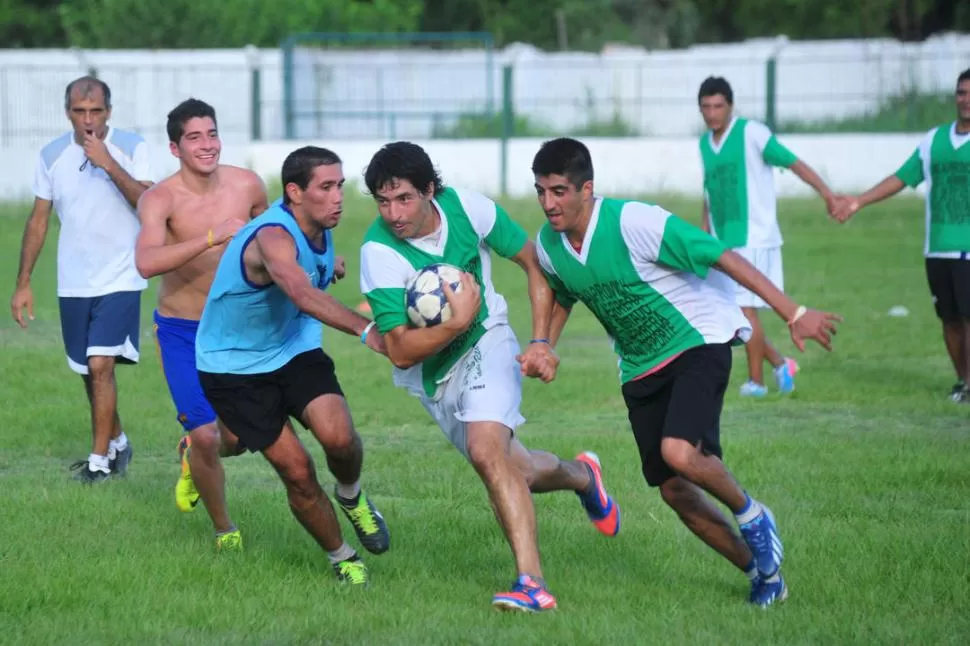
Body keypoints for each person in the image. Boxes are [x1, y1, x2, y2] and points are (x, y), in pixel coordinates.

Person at [528, 137, 843, 607]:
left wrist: (791, 311)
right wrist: (543, 345)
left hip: (699, 341)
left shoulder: (635, 222)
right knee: (675, 492)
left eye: (558, 191)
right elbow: (563, 291)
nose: (548, 203)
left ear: (586, 189)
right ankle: (762, 572)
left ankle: (752, 513)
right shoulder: (549, 246)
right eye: (540, 192)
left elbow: (721, 255)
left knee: (677, 451)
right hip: (639, 368)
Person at [358, 141, 620, 613]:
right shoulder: (378, 251)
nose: (393, 213)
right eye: (382, 201)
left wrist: (541, 340)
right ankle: (584, 477)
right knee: (513, 468)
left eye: (404, 199)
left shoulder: (466, 207)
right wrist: (454, 321)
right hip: (434, 375)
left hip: (488, 339)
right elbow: (397, 350)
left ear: (430, 191)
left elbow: (533, 262)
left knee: (485, 451)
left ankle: (532, 584)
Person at [195, 145, 390, 584]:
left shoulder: (319, 223)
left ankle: (351, 495)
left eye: (340, 185)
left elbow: (310, 269)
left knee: (340, 438)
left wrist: (331, 265)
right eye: (326, 187)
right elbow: (300, 292)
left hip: (292, 348)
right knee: (297, 470)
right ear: (294, 192)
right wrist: (368, 331)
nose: (338, 196)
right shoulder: (272, 238)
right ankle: (343, 558)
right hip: (234, 369)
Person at [135, 98, 269, 550]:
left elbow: (275, 240)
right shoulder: (160, 198)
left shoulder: (248, 184)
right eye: (194, 137)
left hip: (235, 328)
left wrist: (322, 265)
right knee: (207, 434)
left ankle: (191, 456)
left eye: (211, 134)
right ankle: (225, 531)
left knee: (239, 436)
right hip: (181, 331)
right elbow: (146, 262)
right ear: (175, 148)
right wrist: (211, 237)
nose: (206, 145)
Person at [10, 76, 153, 483]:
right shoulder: (51, 154)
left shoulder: (133, 148)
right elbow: (38, 221)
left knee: (101, 363)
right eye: (79, 111)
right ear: (67, 112)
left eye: (95, 111)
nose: (88, 120)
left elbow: (147, 201)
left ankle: (98, 463)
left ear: (109, 111)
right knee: (88, 371)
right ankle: (118, 441)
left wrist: (108, 162)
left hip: (122, 275)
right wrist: (23, 283)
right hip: (73, 281)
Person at [832, 68, 970, 403]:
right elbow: (903, 177)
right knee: (950, 320)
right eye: (962, 92)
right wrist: (859, 201)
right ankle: (963, 381)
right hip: (937, 248)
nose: (966, 100)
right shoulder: (935, 140)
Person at [697, 76, 837, 397]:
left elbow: (793, 162)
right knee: (730, 315)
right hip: (722, 244)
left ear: (730, 106)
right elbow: (709, 193)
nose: (712, 112)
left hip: (755, 239)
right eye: (706, 107)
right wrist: (704, 236)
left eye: (718, 106)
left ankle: (756, 383)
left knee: (746, 312)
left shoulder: (752, 133)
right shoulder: (705, 144)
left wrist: (827, 194)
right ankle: (779, 363)